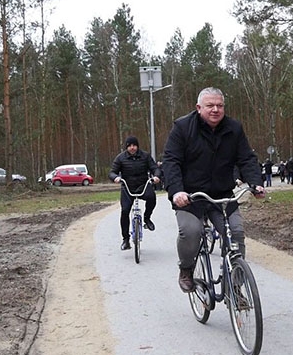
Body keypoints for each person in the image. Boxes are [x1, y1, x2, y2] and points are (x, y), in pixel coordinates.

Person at [162, 87, 265, 292]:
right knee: (191, 231)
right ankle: (186, 269)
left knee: (235, 233)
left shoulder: (234, 128)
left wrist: (255, 183)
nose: (215, 109)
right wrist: (177, 192)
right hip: (191, 196)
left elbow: (246, 158)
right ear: (199, 107)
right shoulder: (183, 128)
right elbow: (171, 161)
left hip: (222, 195)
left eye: (220, 105)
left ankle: (235, 288)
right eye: (210, 105)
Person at [109, 136, 161, 250]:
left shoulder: (145, 156)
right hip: (127, 187)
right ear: (127, 147)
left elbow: (154, 168)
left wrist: (156, 176)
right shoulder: (120, 158)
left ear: (137, 146)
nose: (132, 148)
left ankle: (147, 218)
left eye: (134, 145)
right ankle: (126, 240)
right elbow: (112, 172)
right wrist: (116, 178)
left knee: (151, 197)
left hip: (143, 185)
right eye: (130, 146)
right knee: (125, 211)